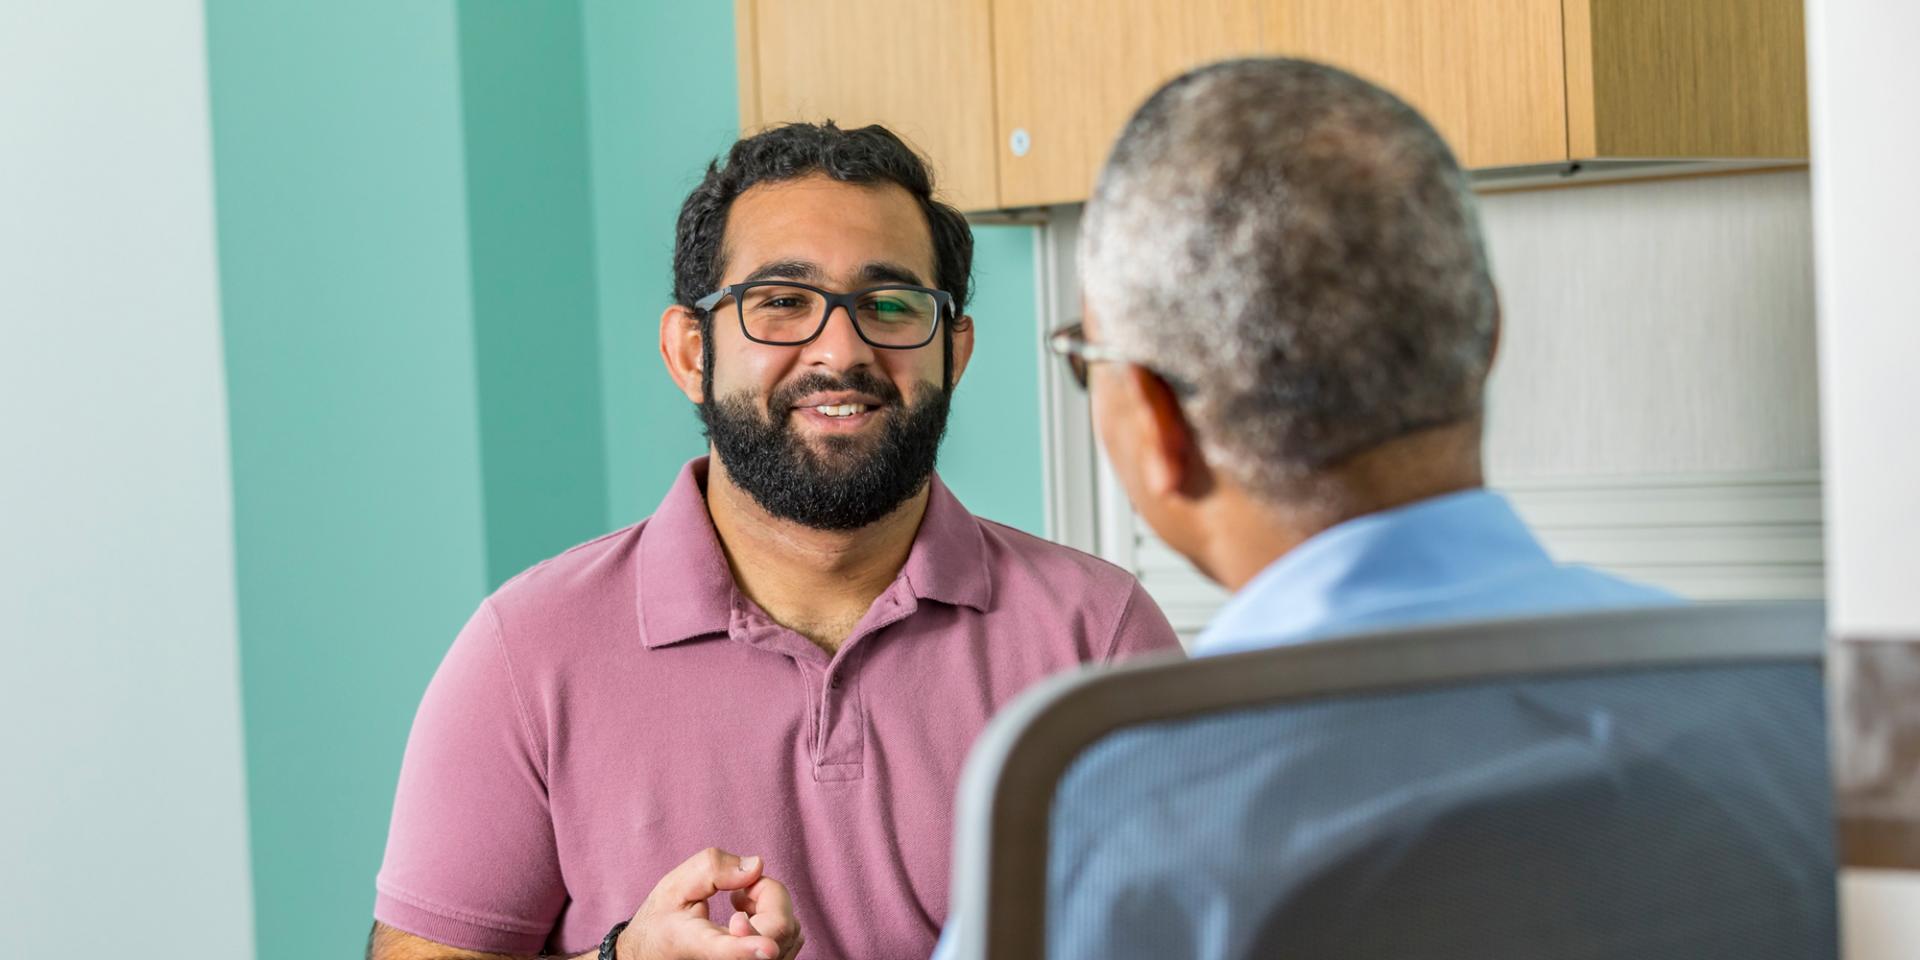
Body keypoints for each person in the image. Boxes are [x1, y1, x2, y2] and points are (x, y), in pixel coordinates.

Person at [369, 123, 1181, 960]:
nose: (841, 349)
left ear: (955, 351)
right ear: (691, 352)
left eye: (891, 304)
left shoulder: (1099, 637)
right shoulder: (527, 650)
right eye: (782, 303)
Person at [935, 56, 1679, 959]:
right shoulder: (1806, 705)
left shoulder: (1111, 824)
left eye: (1087, 357)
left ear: (1160, 424)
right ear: (1485, 340)